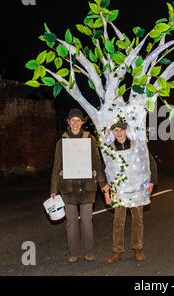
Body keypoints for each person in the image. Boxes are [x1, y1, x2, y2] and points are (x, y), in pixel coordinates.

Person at [50, 108, 109, 263]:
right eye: (72, 120)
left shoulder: (90, 140)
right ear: (68, 123)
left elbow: (97, 163)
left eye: (78, 120)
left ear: (82, 122)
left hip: (87, 187)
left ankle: (88, 251)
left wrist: (103, 184)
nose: (75, 123)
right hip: (68, 188)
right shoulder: (61, 142)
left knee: (86, 221)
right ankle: (74, 251)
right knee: (71, 222)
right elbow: (56, 166)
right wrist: (53, 190)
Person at [105, 121, 158, 263]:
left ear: (126, 130)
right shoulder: (110, 149)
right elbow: (107, 170)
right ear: (113, 132)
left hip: (137, 188)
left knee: (137, 219)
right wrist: (107, 190)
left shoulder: (137, 144)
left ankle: (138, 248)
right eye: (116, 130)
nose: (119, 133)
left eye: (121, 129)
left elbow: (150, 162)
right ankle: (117, 250)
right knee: (118, 221)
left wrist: (152, 181)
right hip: (120, 190)